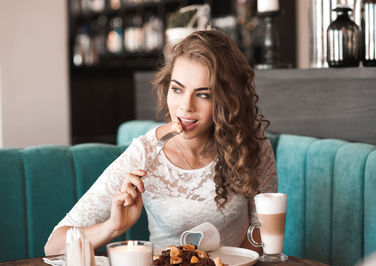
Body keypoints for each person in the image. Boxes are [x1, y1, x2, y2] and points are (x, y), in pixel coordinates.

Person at [44, 30, 277, 255]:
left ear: (228, 99)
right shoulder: (145, 153)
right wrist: (114, 226)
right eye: (177, 89)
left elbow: (262, 227)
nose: (186, 106)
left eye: (203, 94)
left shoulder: (247, 138)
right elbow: (54, 245)